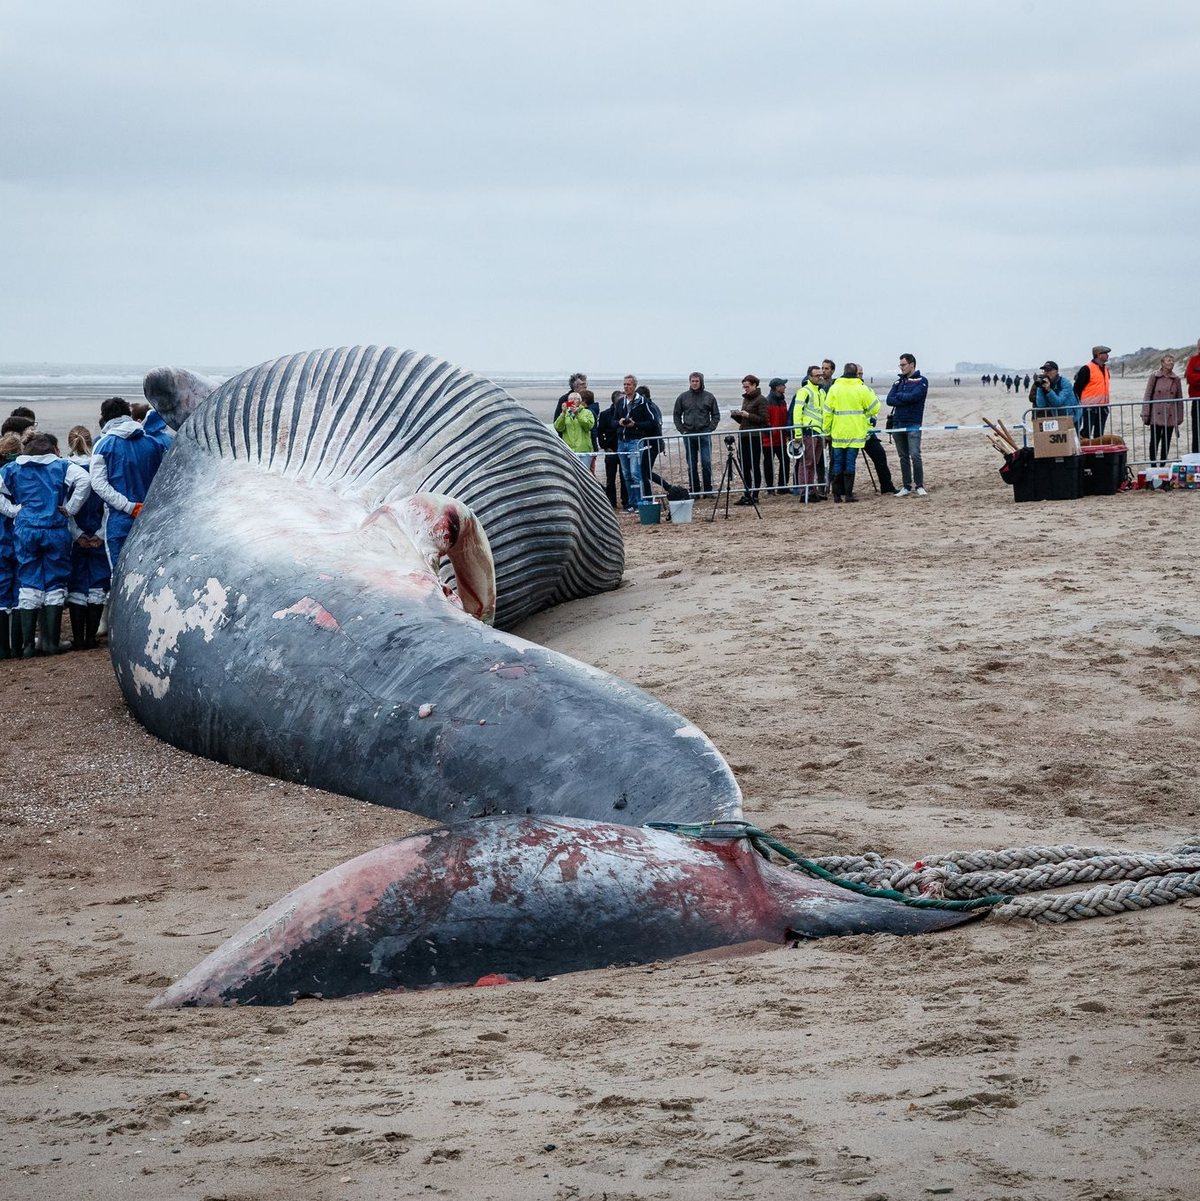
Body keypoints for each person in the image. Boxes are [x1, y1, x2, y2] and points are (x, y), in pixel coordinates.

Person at [0, 431, 91, 656]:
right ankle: (51, 642)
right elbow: (85, 480)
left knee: (29, 579)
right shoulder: (60, 466)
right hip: (54, 527)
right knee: (55, 580)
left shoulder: (13, 468)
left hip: (26, 528)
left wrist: (12, 510)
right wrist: (70, 508)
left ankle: (28, 645)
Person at [90, 396, 172, 572]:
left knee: (119, 571)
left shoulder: (103, 444)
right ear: (128, 414)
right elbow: (165, 478)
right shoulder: (152, 442)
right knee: (149, 568)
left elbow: (98, 484)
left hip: (121, 515)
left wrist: (128, 506)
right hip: (151, 514)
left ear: (105, 417)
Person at [65, 426, 110, 649]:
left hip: (76, 535)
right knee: (97, 584)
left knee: (76, 583)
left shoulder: (65, 468)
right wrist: (100, 534)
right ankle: (91, 637)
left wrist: (77, 534)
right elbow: (107, 503)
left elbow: (63, 507)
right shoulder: (99, 466)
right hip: (98, 534)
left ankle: (79, 639)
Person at [822, 363, 879, 503]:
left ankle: (836, 496)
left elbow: (827, 412)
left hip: (838, 433)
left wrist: (827, 430)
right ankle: (848, 494)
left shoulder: (835, 388)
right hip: (855, 433)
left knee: (837, 463)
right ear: (856, 374)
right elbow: (875, 407)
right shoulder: (861, 388)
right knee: (850, 463)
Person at [886, 353, 929, 496]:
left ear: (912, 364)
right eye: (900, 365)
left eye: (903, 365)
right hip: (898, 423)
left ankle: (919, 485)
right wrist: (903, 399)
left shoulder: (922, 381)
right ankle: (906, 486)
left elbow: (915, 397)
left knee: (915, 455)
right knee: (903, 456)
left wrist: (901, 397)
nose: (901, 368)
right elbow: (889, 400)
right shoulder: (898, 382)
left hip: (913, 423)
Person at [672, 372, 720, 494]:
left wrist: (710, 429)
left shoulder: (709, 397)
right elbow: (676, 414)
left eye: (696, 381)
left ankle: (708, 489)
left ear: (701, 382)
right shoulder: (683, 397)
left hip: (704, 434)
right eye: (692, 381)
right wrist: (682, 430)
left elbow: (716, 415)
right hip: (688, 435)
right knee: (692, 464)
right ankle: (695, 490)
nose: (694, 383)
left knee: (706, 462)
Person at [614, 375, 656, 511]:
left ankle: (640, 502)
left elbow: (652, 422)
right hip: (622, 441)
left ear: (635, 386)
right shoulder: (620, 403)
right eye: (624, 384)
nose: (626, 387)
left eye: (629, 384)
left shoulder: (643, 402)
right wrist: (620, 422)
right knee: (626, 474)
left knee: (635, 473)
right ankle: (631, 503)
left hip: (636, 441)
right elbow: (612, 421)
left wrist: (635, 424)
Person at [788, 366, 827, 502]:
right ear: (810, 377)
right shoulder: (804, 391)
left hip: (818, 432)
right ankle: (805, 491)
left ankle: (811, 490)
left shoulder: (821, 393)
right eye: (817, 375)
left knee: (814, 464)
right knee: (806, 463)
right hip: (807, 432)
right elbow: (797, 412)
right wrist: (798, 433)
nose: (820, 377)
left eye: (821, 375)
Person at [0, 432, 22, 657]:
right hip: (20, 534)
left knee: (2, 588)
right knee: (20, 587)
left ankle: (3, 646)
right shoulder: (22, 470)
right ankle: (18, 644)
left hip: (2, 536)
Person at [730, 375, 768, 505]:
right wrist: (736, 416)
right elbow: (744, 420)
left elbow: (763, 420)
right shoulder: (746, 399)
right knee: (744, 466)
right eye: (744, 387)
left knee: (754, 465)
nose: (745, 389)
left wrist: (748, 415)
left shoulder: (761, 399)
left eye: (747, 387)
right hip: (744, 435)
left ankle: (755, 494)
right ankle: (746, 494)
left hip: (755, 437)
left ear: (754, 385)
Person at [1142, 354, 1184, 466]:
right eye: (1169, 360)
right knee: (1154, 441)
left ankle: (1162, 465)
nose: (1171, 363)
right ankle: (1153, 465)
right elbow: (1147, 394)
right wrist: (1145, 412)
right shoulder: (1154, 377)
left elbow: (1179, 399)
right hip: (1156, 413)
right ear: (1162, 363)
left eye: (1173, 361)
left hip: (1170, 415)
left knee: (1166, 442)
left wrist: (1180, 417)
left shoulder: (1176, 379)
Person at [595, 391, 628, 510]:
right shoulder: (605, 414)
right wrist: (605, 446)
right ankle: (611, 502)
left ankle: (626, 501)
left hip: (624, 448)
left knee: (625, 477)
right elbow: (600, 432)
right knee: (610, 478)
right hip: (611, 449)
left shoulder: (625, 412)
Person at [1073, 345, 1112, 438]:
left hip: (1103, 407)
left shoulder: (1105, 369)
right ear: (1098, 355)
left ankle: (1098, 451)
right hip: (1089, 407)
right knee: (1086, 432)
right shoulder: (1086, 368)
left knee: (1099, 434)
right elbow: (1077, 388)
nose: (1107, 355)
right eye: (1105, 353)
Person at [762, 377, 790, 492]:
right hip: (769, 439)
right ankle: (770, 487)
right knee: (769, 463)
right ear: (777, 387)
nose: (785, 387)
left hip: (781, 438)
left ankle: (782, 486)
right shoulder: (768, 401)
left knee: (785, 461)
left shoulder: (782, 401)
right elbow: (765, 419)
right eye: (783, 385)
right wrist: (769, 433)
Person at [552, 390, 596, 458]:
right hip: (569, 450)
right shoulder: (566, 414)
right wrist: (563, 413)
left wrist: (577, 414)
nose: (573, 401)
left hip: (583, 450)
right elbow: (558, 427)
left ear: (580, 401)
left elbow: (588, 426)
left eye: (575, 399)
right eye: (570, 399)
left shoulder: (587, 412)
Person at [1185, 338, 1200, 454]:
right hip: (1197, 401)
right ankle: (1196, 456)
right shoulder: (1193, 360)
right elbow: (1190, 377)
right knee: (1197, 431)